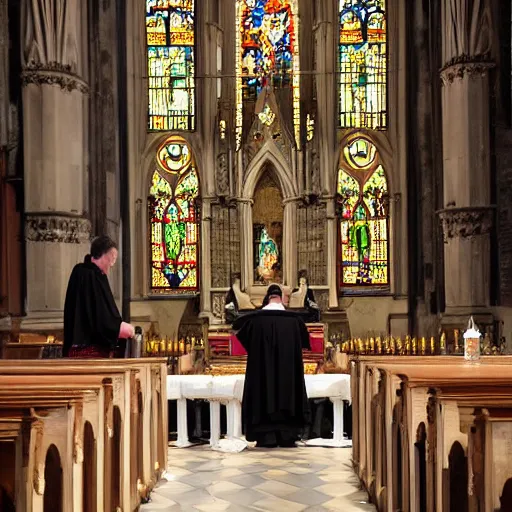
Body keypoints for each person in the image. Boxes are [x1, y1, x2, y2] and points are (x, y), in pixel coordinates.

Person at [233, 284, 311, 447]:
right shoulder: (295, 321)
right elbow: (305, 342)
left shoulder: (254, 321)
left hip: (263, 374)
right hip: (287, 374)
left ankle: (266, 436)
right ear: (282, 298)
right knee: (288, 390)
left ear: (267, 298)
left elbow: (241, 335)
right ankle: (287, 435)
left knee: (263, 389)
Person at [63, 235, 134, 358]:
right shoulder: (88, 274)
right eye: (112, 258)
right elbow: (99, 315)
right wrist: (117, 328)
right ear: (103, 254)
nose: (112, 264)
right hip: (87, 350)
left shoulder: (91, 274)